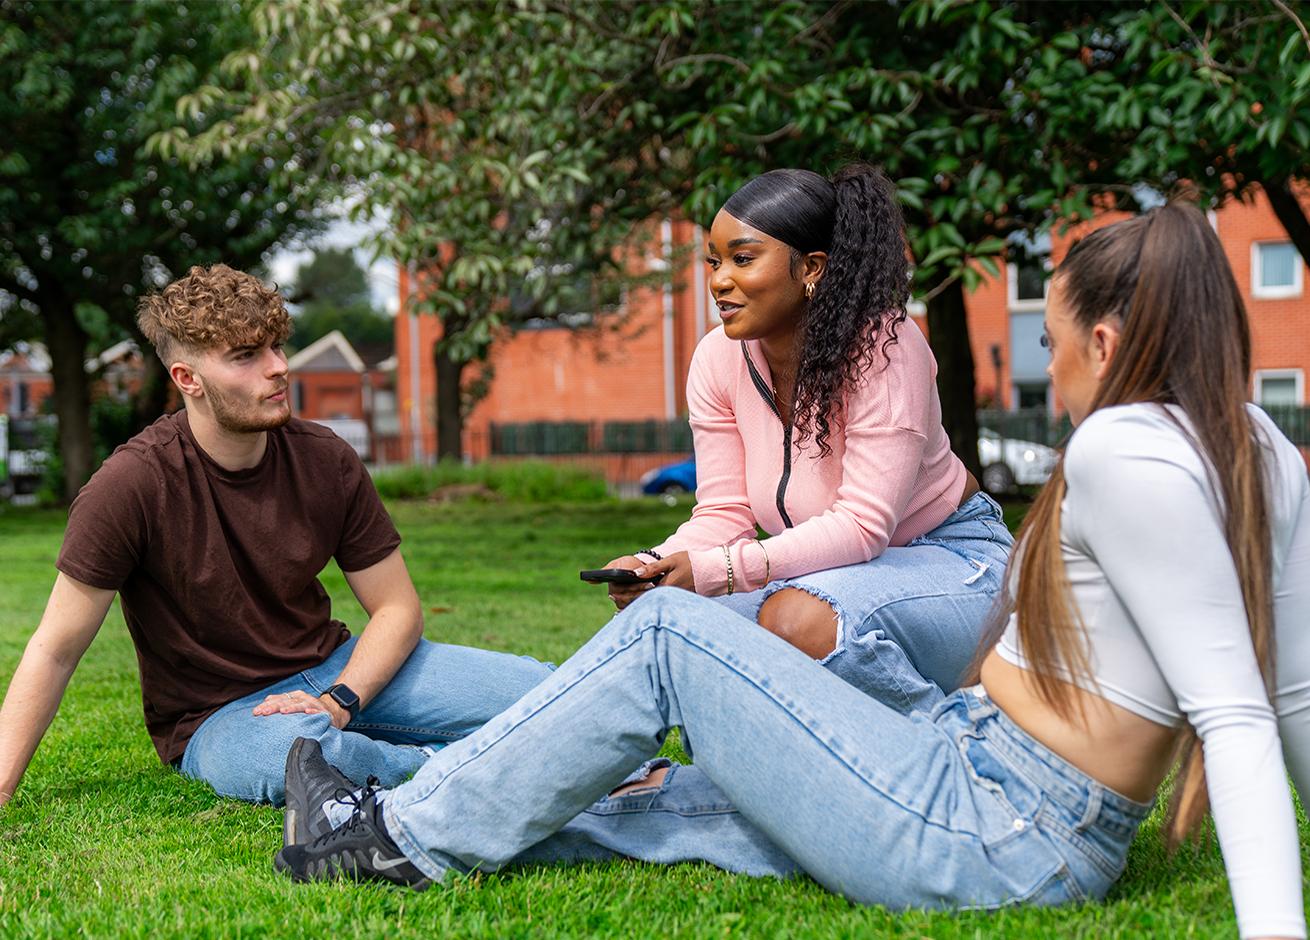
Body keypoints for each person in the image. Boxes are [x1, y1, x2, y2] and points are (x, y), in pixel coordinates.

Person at [277, 204, 1308, 940]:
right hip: (975, 767)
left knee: (671, 634)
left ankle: (389, 837)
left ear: (1105, 337)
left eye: (1051, 328)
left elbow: (1239, 715)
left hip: (996, 825)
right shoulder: (1254, 443)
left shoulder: (1120, 451)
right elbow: (1295, 688)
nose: (1051, 355)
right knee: (686, 801)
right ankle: (393, 802)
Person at [0, 264, 551, 829]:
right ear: (188, 379)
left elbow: (397, 608)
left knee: (548, 691)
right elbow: (55, 648)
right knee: (292, 758)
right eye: (246, 356)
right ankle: (449, 766)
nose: (279, 368)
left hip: (336, 669)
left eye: (276, 346)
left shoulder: (325, 458)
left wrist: (341, 699)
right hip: (221, 715)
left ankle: (444, 757)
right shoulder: (130, 486)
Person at [600, 166, 1012, 710]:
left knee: (794, 620)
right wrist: (657, 562)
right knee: (665, 636)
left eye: (743, 259)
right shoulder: (717, 359)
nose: (719, 280)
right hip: (830, 576)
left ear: (811, 268)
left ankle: (951, 744)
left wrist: (719, 572)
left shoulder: (885, 346)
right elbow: (724, 512)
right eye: (715, 262)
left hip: (955, 562)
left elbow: (865, 527)